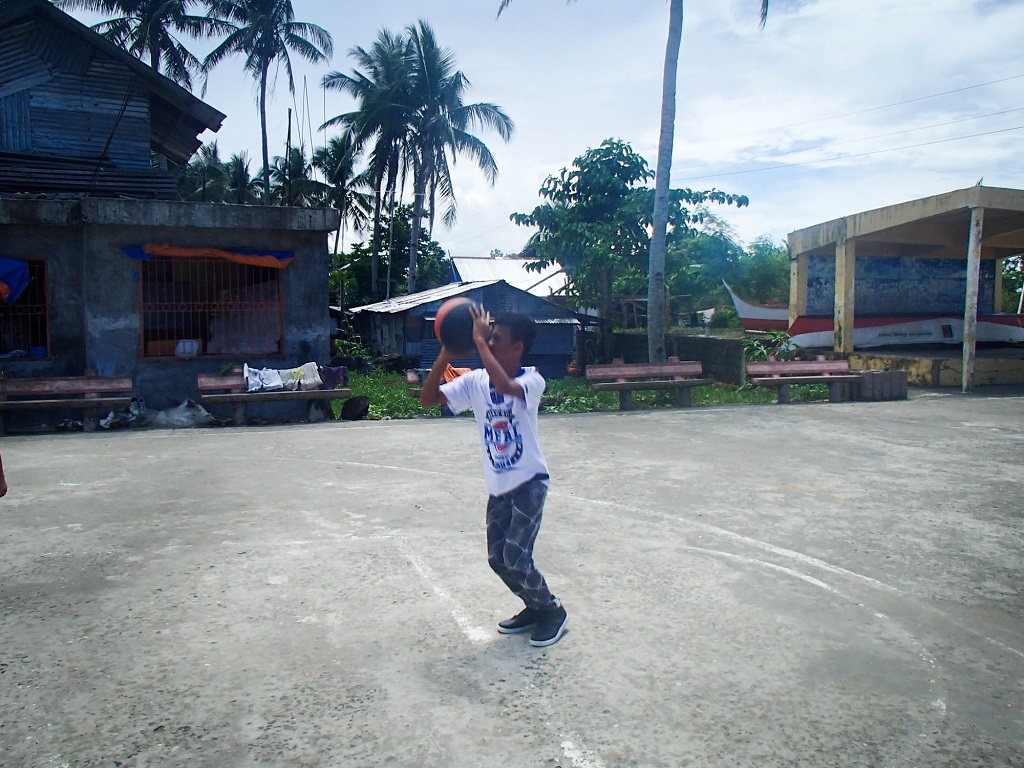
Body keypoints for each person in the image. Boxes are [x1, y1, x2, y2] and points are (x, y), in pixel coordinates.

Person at [420, 304, 568, 647]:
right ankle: (533, 606)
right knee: (497, 558)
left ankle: (552, 610)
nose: (487, 340)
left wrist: (479, 344)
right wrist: (445, 352)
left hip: (530, 482)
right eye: (488, 337)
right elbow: (428, 400)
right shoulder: (475, 381)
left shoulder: (532, 379)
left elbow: (504, 387)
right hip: (498, 487)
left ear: (517, 347)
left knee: (517, 557)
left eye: (496, 339)